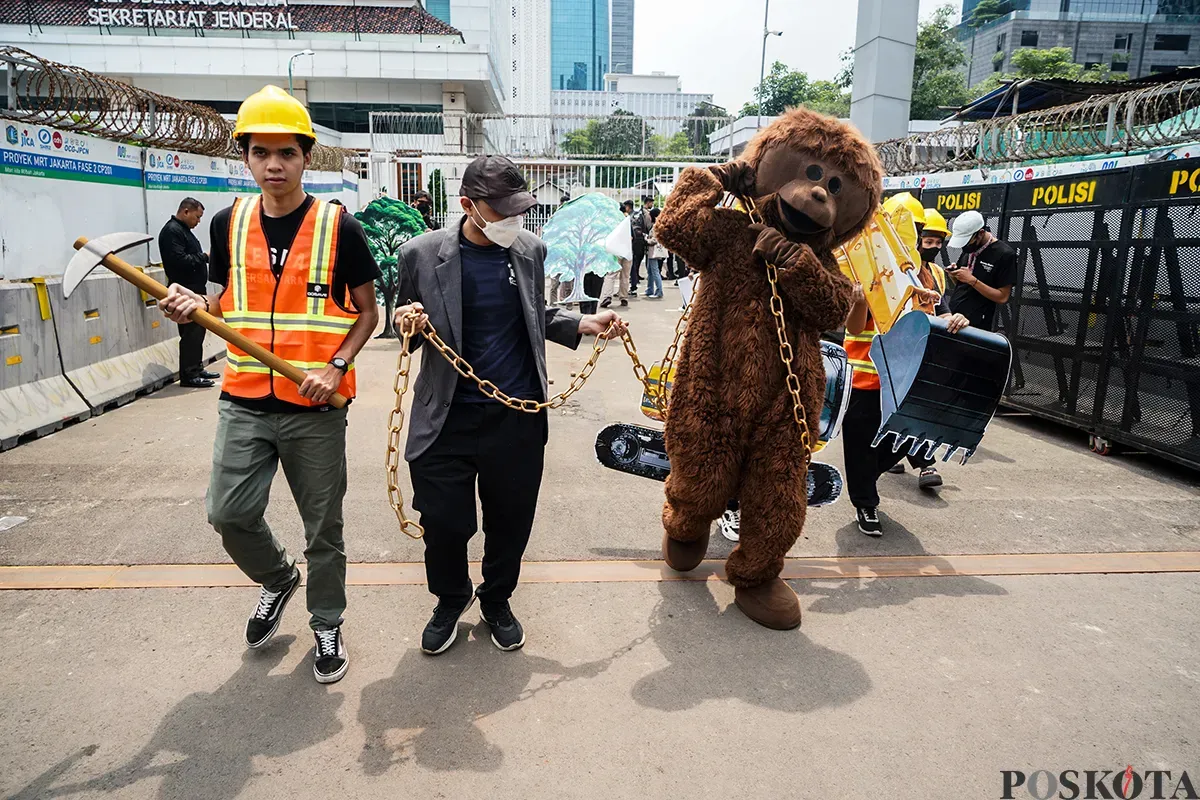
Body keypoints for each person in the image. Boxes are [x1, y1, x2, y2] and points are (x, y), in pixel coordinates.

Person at [160, 85, 381, 684]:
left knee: (323, 527)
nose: (274, 165)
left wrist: (335, 366)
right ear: (247, 157)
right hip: (245, 399)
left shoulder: (340, 228)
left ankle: (326, 622)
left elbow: (368, 313)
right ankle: (278, 578)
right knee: (227, 513)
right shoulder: (227, 225)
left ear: (307, 156)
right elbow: (215, 303)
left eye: (286, 152)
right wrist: (188, 303)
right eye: (261, 153)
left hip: (316, 404)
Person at [393, 155, 627, 656]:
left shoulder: (530, 250)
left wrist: (579, 323)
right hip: (446, 415)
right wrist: (406, 321)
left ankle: (497, 600)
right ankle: (450, 599)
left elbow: (530, 310)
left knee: (511, 520)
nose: (512, 221)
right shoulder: (420, 254)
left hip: (516, 414)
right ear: (466, 206)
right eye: (500, 210)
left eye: (518, 209)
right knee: (446, 523)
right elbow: (408, 329)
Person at [842, 210, 970, 537]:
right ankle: (865, 502)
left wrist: (956, 321)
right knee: (860, 444)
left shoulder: (921, 277)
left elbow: (936, 317)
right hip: (866, 379)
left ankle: (866, 479)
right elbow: (854, 327)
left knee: (907, 438)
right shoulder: (862, 270)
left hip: (905, 381)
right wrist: (858, 300)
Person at [159, 198, 219, 389]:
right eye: (197, 216)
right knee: (190, 334)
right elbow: (179, 261)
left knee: (198, 332)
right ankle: (189, 374)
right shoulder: (172, 231)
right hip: (185, 291)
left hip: (195, 290)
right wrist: (205, 257)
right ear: (186, 211)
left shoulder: (183, 231)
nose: (198, 221)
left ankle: (196, 367)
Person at [946, 209, 1016, 332]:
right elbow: (960, 284)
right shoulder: (970, 249)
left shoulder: (1004, 254)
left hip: (977, 324)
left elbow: (1003, 297)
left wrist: (972, 280)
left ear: (980, 233)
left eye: (968, 241)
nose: (965, 246)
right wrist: (954, 274)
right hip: (953, 316)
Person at [600, 200, 634, 309]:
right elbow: (633, 236)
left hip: (615, 251)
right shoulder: (627, 220)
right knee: (625, 276)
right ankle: (624, 297)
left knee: (611, 274)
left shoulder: (612, 220)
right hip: (627, 250)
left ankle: (607, 296)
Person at [629, 196, 653, 293]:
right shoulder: (646, 213)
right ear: (647, 202)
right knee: (639, 258)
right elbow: (648, 226)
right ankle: (635, 277)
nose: (652, 204)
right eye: (651, 203)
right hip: (642, 238)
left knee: (636, 259)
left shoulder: (637, 213)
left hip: (636, 239)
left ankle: (635, 276)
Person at [643, 206, 666, 299]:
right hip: (653, 252)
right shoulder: (659, 224)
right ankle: (650, 289)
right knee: (650, 271)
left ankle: (659, 291)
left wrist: (646, 239)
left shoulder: (656, 226)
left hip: (654, 252)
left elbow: (654, 240)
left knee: (655, 271)